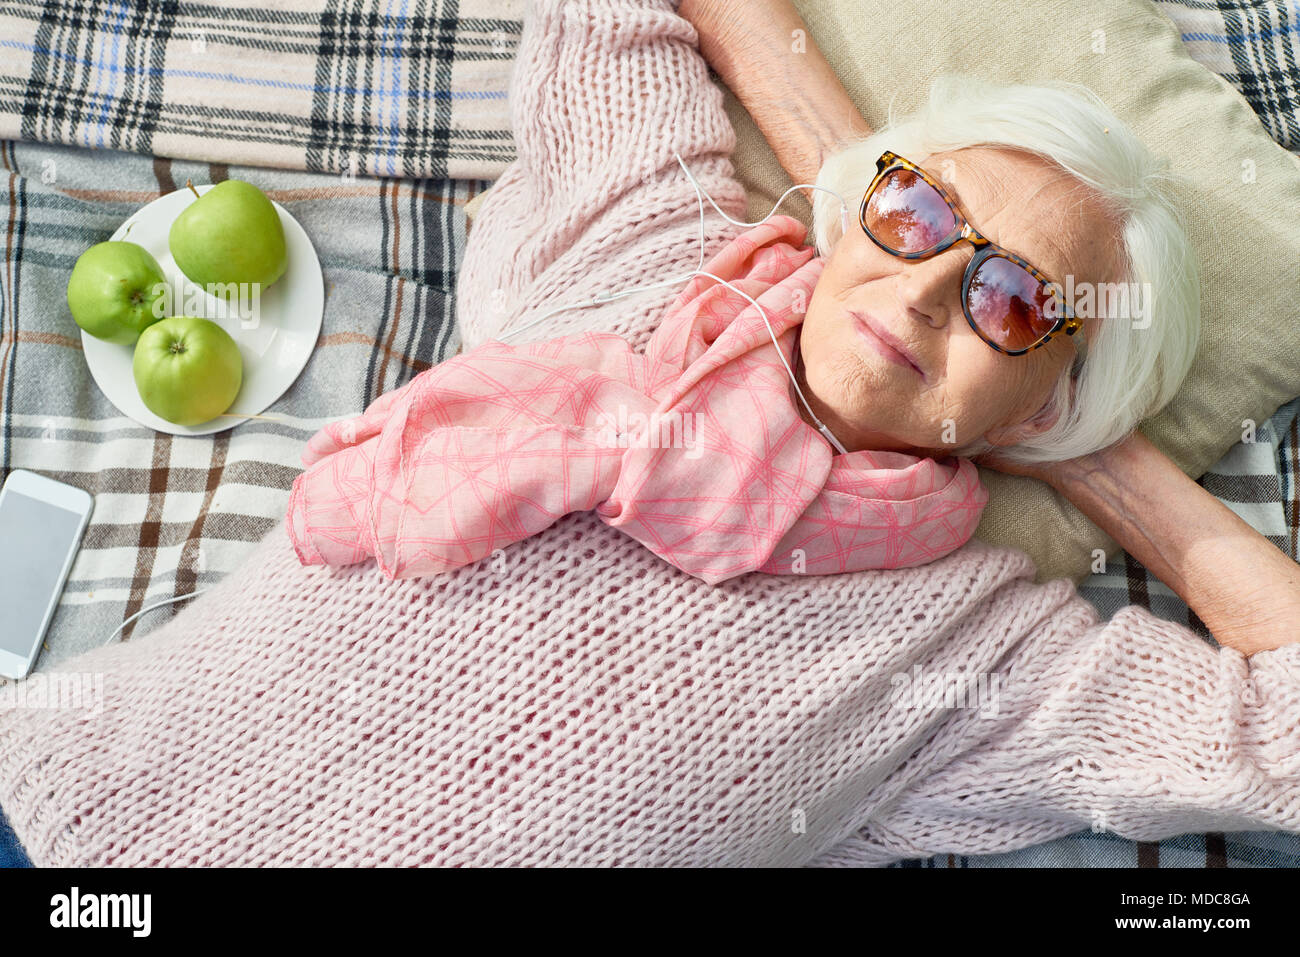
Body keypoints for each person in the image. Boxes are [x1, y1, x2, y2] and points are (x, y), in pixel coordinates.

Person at [0, 0, 1295, 867]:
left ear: (1060, 390)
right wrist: (860, 174)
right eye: (918, 218)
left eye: (1013, 301)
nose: (924, 289)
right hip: (49, 806)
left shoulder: (981, 653)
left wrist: (1107, 465)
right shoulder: (660, 251)